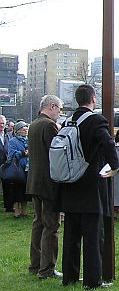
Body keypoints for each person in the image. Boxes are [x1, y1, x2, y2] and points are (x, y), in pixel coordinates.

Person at [56, 84, 118, 289]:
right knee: (93, 237)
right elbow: (108, 144)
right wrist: (115, 166)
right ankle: (93, 281)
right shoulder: (96, 120)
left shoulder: (68, 121)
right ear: (93, 98)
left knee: (71, 235)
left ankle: (70, 277)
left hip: (70, 183)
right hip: (91, 185)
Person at [26, 95, 63, 279]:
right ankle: (46, 269)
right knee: (52, 225)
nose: (60, 113)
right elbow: (55, 152)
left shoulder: (33, 124)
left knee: (38, 223)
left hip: (34, 181)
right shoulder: (49, 126)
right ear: (53, 106)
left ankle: (35, 264)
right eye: (60, 109)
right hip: (48, 182)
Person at [8, 121, 29, 218]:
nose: (25, 131)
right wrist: (23, 153)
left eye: (26, 129)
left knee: (25, 191)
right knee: (17, 190)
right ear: (17, 131)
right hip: (17, 169)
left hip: (28, 169)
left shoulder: (29, 140)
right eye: (23, 129)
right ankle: (16, 210)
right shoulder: (13, 141)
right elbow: (11, 155)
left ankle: (24, 211)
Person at [0, 115, 13, 212]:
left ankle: (8, 206)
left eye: (3, 123)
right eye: (0, 123)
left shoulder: (8, 135)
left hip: (6, 164)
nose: (1, 125)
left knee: (7, 186)